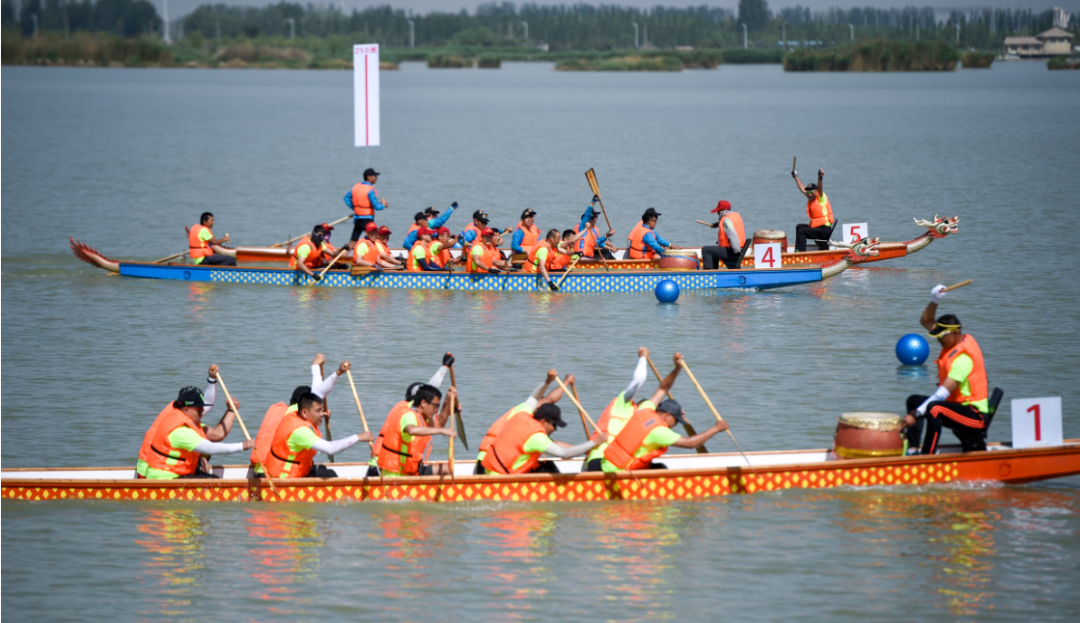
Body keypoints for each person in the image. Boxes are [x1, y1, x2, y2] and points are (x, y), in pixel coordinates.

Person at [595, 352, 728, 472]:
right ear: (668, 415)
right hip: (616, 473)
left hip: (606, 463)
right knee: (661, 469)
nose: (673, 426)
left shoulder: (645, 409)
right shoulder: (659, 431)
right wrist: (716, 428)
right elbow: (690, 443)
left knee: (658, 466)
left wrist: (677, 368)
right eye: (675, 422)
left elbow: (663, 388)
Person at [899, 285, 992, 455]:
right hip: (958, 407)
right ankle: (913, 449)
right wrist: (935, 300)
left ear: (955, 333)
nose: (939, 340)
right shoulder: (950, 341)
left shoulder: (964, 359)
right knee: (914, 400)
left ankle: (928, 456)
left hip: (975, 415)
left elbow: (941, 394)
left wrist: (916, 414)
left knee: (935, 408)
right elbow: (926, 321)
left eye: (942, 336)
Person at [137, 368, 254, 479]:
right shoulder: (180, 430)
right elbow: (214, 442)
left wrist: (212, 379)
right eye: (199, 410)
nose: (202, 412)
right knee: (211, 474)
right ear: (187, 409)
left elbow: (206, 403)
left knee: (202, 453)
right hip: (153, 472)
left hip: (165, 469)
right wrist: (243, 445)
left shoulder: (179, 410)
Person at [251, 355, 350, 477]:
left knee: (318, 466)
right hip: (275, 471)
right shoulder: (296, 419)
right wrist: (333, 371)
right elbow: (318, 391)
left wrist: (318, 416)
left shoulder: (280, 410)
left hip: (262, 466)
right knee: (327, 473)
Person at [583, 347, 665, 472]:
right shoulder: (623, 406)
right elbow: (639, 380)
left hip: (616, 463)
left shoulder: (642, 424)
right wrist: (643, 358)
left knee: (659, 467)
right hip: (600, 460)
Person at [264, 392, 372, 479]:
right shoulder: (300, 431)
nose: (322, 414)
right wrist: (358, 437)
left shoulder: (296, 413)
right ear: (305, 413)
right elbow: (330, 449)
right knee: (328, 475)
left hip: (294, 471)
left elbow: (319, 389)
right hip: (284, 477)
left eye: (322, 410)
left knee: (324, 470)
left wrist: (337, 372)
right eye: (318, 411)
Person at [475, 370, 565, 473]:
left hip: (488, 461)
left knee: (544, 465)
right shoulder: (523, 413)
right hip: (491, 464)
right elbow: (551, 399)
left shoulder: (530, 421)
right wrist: (565, 381)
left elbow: (552, 444)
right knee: (548, 468)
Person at [480, 403, 605, 475]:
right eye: (554, 425)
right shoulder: (536, 437)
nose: (555, 429)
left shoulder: (524, 418)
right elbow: (565, 454)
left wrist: (547, 382)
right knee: (548, 468)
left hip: (490, 469)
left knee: (546, 464)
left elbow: (555, 444)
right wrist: (594, 442)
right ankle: (558, 495)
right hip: (503, 478)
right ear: (545, 421)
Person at [368, 384, 457, 477]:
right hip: (394, 473)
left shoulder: (419, 414)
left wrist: (448, 402)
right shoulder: (408, 415)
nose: (436, 411)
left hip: (408, 468)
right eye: (435, 406)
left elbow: (438, 425)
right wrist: (442, 431)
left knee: (447, 469)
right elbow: (411, 430)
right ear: (423, 403)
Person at [345, 167, 388, 251]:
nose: (376, 178)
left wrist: (355, 208)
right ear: (369, 177)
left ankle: (342, 256)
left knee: (352, 242)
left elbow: (346, 199)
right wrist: (384, 205)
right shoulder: (370, 190)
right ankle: (379, 255)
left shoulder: (356, 187)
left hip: (357, 219)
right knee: (375, 239)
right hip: (367, 220)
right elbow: (377, 207)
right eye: (374, 176)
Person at [792, 167, 834, 252]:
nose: (809, 194)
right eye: (808, 192)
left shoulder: (821, 197)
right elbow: (803, 189)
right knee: (799, 227)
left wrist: (820, 178)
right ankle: (797, 250)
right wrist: (795, 177)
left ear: (816, 192)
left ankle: (802, 255)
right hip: (818, 228)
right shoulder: (811, 198)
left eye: (811, 192)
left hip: (824, 229)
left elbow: (820, 188)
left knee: (802, 231)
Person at [701, 200, 746, 270]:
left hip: (734, 252)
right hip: (738, 249)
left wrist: (737, 252)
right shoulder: (736, 216)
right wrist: (717, 224)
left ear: (722, 210)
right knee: (713, 251)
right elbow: (729, 224)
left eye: (718, 211)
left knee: (706, 250)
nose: (717, 213)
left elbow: (732, 235)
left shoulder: (726, 220)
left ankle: (708, 273)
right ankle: (713, 272)